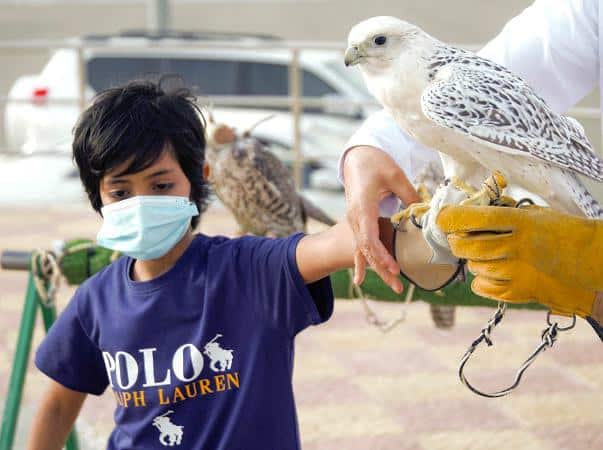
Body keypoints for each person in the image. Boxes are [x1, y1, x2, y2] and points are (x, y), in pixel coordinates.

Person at [28, 79, 385, 450]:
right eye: (120, 192)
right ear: (97, 196)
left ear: (200, 177)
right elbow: (56, 406)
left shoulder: (252, 271)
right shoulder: (96, 300)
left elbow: (338, 242)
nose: (140, 202)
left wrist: (370, 172)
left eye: (161, 185)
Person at [340, 0, 603, 328]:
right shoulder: (417, 84)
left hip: (536, 163)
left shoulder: (442, 85)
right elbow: (524, 58)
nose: (355, 54)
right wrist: (369, 149)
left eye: (377, 42)